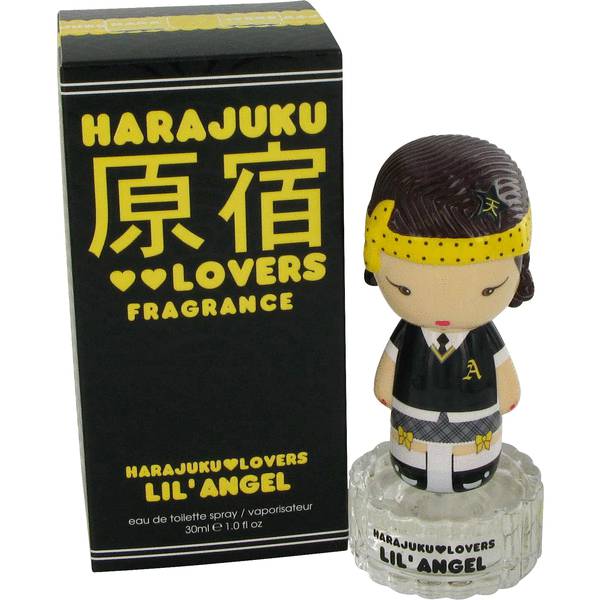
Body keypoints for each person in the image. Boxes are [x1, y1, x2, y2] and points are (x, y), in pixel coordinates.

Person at [365, 135, 534, 493]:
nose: (444, 311)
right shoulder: (409, 335)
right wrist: (384, 386)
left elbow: (502, 369)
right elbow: (390, 369)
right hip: (413, 418)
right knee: (415, 458)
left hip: (475, 420)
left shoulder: (481, 337)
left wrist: (507, 391)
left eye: (487, 289)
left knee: (469, 461)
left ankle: (472, 471)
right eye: (404, 288)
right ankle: (413, 469)